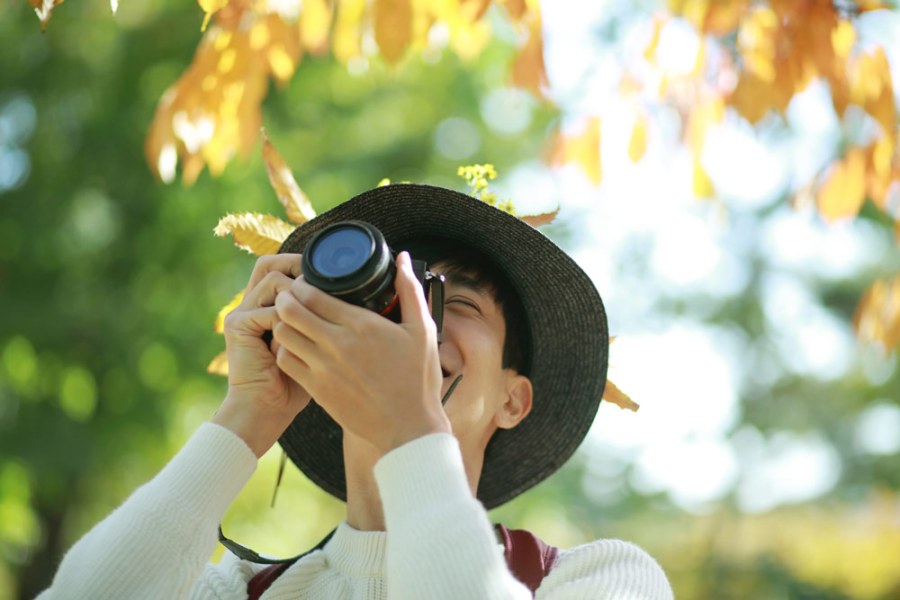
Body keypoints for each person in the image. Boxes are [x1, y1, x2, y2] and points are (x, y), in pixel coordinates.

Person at [38, 184, 673, 599]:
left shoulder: (600, 580)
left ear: (514, 399)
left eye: (463, 304)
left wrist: (408, 425)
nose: (416, 323)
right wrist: (247, 415)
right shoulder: (239, 592)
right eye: (399, 297)